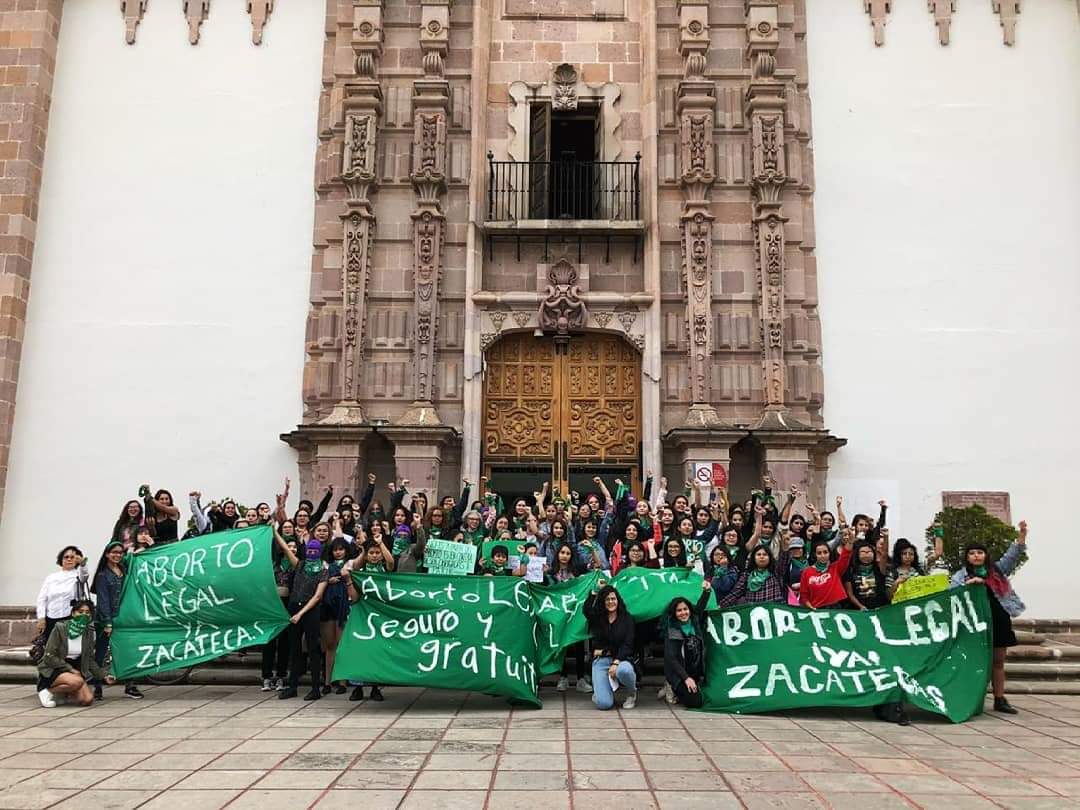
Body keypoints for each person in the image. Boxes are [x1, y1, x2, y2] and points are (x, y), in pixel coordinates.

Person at [951, 520, 1029, 714]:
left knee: (998, 661)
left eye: (980, 552)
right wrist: (970, 585)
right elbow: (952, 595)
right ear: (967, 557)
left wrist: (1022, 535)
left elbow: (1013, 554)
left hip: (998, 619)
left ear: (985, 555)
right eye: (972, 553)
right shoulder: (960, 576)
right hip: (974, 624)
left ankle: (999, 698)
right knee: (973, 661)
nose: (976, 556)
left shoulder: (997, 571)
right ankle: (969, 698)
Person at [275, 536, 328, 701]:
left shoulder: (323, 570)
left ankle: (315, 688)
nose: (312, 553)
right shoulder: (300, 565)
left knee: (313, 648)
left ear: (319, 552)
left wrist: (301, 613)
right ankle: (292, 687)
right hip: (294, 607)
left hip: (310, 610)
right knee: (295, 648)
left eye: (315, 550)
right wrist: (274, 531)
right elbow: (285, 548)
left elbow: (318, 596)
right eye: (309, 550)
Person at [89, 542, 143, 700]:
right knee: (101, 652)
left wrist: (148, 544)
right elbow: (103, 601)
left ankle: (130, 685)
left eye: (120, 552)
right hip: (107, 619)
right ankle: (97, 686)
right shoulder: (102, 576)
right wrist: (107, 622)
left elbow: (135, 557)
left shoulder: (124, 570)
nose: (117, 555)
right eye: (114, 552)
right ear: (106, 554)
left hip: (124, 618)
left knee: (128, 651)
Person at [36, 599, 115, 708]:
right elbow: (50, 656)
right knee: (77, 681)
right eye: (80, 611)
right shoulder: (60, 628)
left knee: (87, 700)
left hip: (75, 670)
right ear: (73, 613)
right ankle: (47, 691)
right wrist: (70, 669)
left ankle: (64, 693)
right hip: (55, 667)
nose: (84, 615)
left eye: (87, 612)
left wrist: (104, 675)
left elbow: (89, 660)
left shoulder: (89, 632)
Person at [585, 584, 637, 710]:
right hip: (601, 661)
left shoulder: (626, 618)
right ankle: (602, 692)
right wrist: (594, 592)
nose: (610, 602)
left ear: (618, 600)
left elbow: (628, 644)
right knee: (604, 704)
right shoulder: (598, 617)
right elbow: (587, 610)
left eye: (613, 599)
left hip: (622, 660)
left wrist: (616, 662)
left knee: (624, 670)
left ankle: (631, 693)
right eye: (607, 599)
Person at [662, 582, 712, 709]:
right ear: (674, 613)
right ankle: (670, 686)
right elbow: (672, 659)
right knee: (695, 702)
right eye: (679, 610)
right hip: (679, 674)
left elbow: (701, 607)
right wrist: (686, 678)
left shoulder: (694, 621)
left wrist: (706, 591)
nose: (683, 613)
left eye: (685, 609)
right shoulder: (672, 630)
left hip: (695, 671)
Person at [36, 546, 89, 644]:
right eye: (66, 557)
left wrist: (83, 563)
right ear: (61, 559)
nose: (69, 559)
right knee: (52, 648)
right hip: (51, 618)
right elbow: (42, 599)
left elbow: (84, 575)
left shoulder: (78, 576)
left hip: (71, 618)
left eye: (72, 557)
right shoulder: (51, 577)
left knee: (70, 648)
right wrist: (41, 618)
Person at [799, 529, 854, 609]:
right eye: (819, 553)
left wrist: (851, 541)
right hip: (816, 610)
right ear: (815, 555)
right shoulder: (807, 572)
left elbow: (846, 554)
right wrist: (810, 607)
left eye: (825, 552)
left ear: (829, 553)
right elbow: (804, 595)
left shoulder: (836, 568)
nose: (822, 555)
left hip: (835, 608)